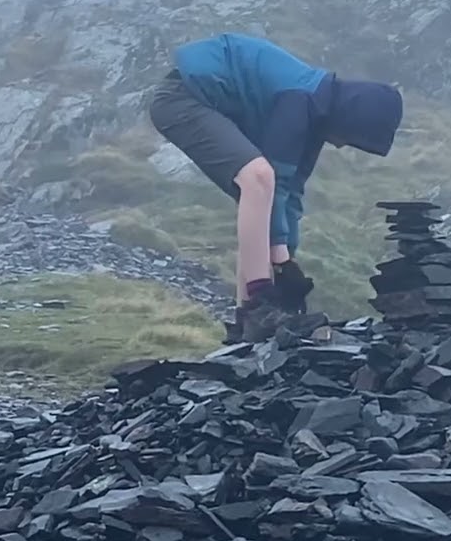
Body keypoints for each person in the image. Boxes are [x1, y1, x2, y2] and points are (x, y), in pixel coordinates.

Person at [148, 32, 404, 342]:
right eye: (354, 137)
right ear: (350, 117)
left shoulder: (314, 117)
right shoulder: (299, 99)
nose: (344, 145)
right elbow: (275, 182)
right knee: (258, 179)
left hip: (198, 103)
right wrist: (279, 260)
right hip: (182, 97)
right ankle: (260, 305)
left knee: (261, 192)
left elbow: (292, 195)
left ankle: (247, 325)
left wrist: (287, 263)